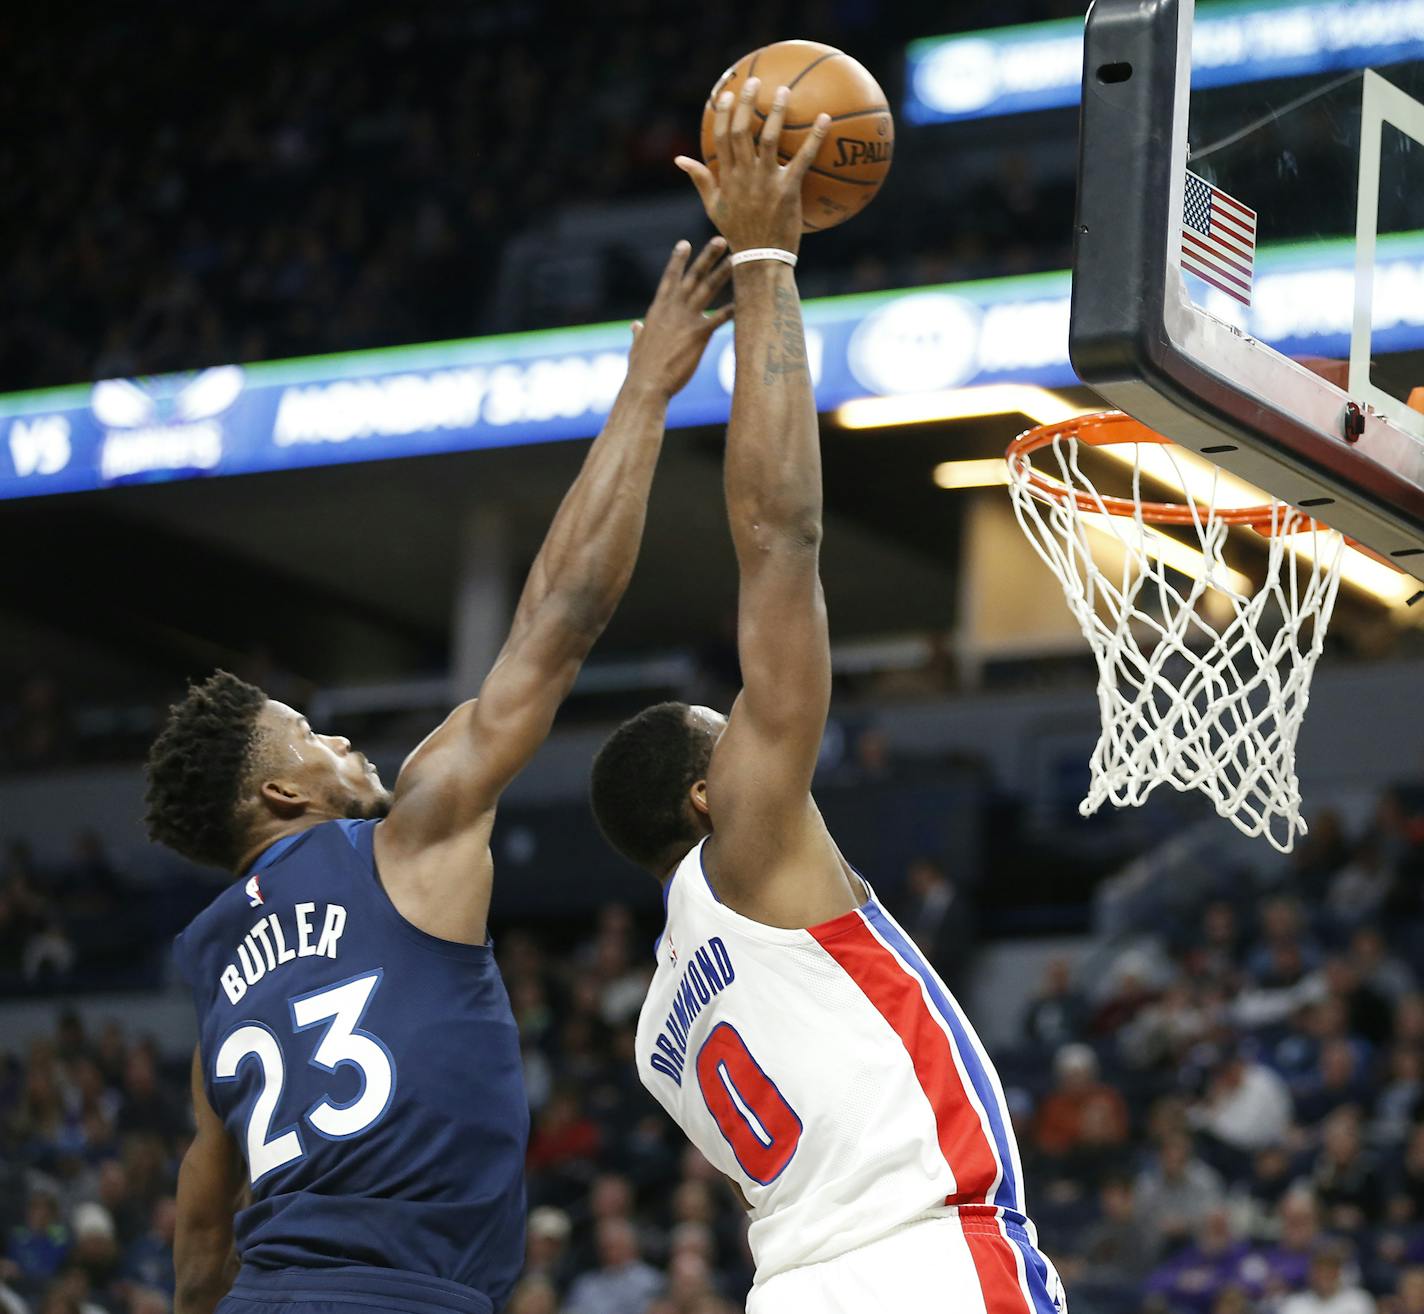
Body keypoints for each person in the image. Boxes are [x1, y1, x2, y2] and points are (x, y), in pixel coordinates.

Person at [147, 239, 734, 1314]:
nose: (344, 745)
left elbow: (198, 1232)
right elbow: (561, 618)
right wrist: (646, 387)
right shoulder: (404, 838)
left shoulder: (212, 973)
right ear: (281, 795)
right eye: (313, 739)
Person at [589, 79, 1066, 1314]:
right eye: (730, 736)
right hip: (928, 1265)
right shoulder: (747, 846)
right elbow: (779, 540)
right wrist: (764, 260)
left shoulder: (656, 1038)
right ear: (709, 789)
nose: (763, 745)